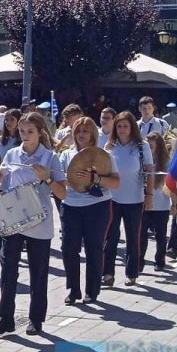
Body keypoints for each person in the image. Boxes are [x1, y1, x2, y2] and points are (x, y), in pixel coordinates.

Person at [0, 112, 66, 335]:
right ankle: (6, 318)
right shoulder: (13, 153)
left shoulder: (50, 157)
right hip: (14, 219)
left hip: (39, 222)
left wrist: (47, 177)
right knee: (8, 270)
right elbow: (0, 173)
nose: (25, 135)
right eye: (22, 131)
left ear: (40, 132)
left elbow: (64, 193)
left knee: (38, 272)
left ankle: (36, 319)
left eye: (30, 131)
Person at [59, 117, 120, 305]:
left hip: (97, 206)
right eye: (78, 131)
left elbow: (116, 183)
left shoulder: (104, 155)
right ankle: (73, 289)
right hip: (71, 205)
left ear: (93, 133)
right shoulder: (66, 155)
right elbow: (60, 180)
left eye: (85, 131)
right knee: (68, 248)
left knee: (94, 248)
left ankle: (92, 291)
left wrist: (95, 178)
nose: (81, 134)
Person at [103, 111, 154, 287]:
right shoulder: (109, 147)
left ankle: (131, 273)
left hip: (135, 199)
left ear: (132, 127)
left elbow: (149, 171)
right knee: (111, 237)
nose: (122, 129)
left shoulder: (142, 146)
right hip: (112, 198)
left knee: (134, 237)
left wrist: (150, 196)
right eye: (119, 126)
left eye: (126, 126)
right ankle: (107, 273)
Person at [140, 132, 171, 272]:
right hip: (144, 203)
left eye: (151, 145)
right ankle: (139, 261)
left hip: (161, 205)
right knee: (141, 235)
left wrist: (174, 204)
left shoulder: (166, 163)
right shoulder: (141, 160)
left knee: (160, 235)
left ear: (158, 147)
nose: (149, 147)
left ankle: (160, 260)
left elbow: (170, 185)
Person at [0, 109, 22, 256]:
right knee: (2, 216)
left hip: (19, 183)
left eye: (12, 120)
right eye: (6, 120)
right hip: (4, 182)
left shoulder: (22, 140)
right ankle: (1, 246)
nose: (9, 123)